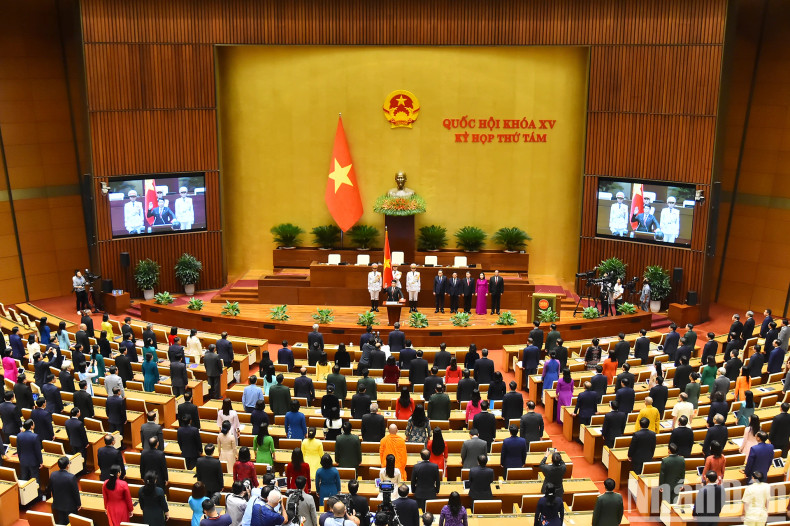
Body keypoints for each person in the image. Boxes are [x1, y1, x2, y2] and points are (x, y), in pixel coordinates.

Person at [47, 456, 81, 525]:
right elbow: (75, 492)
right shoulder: (71, 477)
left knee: (61, 521)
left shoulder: (53, 475)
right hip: (70, 506)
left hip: (58, 504)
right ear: (68, 466)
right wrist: (78, 504)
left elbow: (49, 488)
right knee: (71, 523)